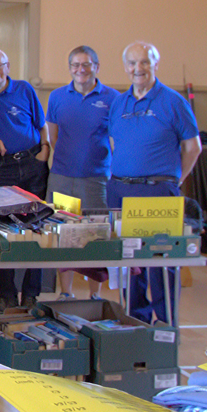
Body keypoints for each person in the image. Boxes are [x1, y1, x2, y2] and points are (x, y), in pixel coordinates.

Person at [108, 42, 201, 324]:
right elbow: (115, 142)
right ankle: (136, 320)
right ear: (126, 67)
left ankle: (165, 325)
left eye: (145, 62)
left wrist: (174, 181)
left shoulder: (173, 101)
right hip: (121, 191)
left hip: (159, 191)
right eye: (133, 63)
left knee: (161, 262)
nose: (139, 69)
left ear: (155, 65)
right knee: (129, 263)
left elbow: (193, 147)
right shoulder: (119, 103)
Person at [0, 47, 51, 314]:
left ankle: (31, 294)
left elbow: (42, 125)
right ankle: (7, 295)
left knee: (36, 230)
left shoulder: (25, 89)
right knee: (4, 231)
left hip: (32, 165)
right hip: (2, 168)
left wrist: (44, 152)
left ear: (7, 65)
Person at [47, 45, 120, 300]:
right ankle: (65, 292)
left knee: (95, 235)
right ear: (70, 69)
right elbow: (53, 136)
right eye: (76, 65)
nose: (81, 70)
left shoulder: (113, 98)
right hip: (63, 178)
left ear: (96, 67)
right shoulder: (57, 97)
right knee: (63, 234)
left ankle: (94, 294)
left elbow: (116, 139)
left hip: (96, 178)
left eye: (87, 64)